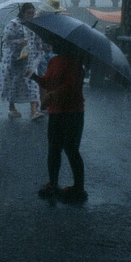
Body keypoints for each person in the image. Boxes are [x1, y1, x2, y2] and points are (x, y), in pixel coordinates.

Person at [32, 40, 87, 203]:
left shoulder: (75, 64)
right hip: (55, 111)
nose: (52, 44)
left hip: (72, 112)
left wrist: (52, 95)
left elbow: (71, 87)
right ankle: (53, 183)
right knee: (54, 149)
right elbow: (48, 82)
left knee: (71, 150)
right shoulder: (54, 61)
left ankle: (79, 187)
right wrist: (35, 77)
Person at [1, 2, 43, 119]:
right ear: (23, 12)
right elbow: (6, 39)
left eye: (32, 13)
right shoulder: (14, 24)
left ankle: (33, 110)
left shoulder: (34, 24)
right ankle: (12, 107)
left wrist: (40, 47)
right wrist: (19, 42)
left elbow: (37, 39)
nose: (31, 15)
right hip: (16, 59)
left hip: (30, 58)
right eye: (28, 13)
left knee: (32, 82)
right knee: (14, 82)